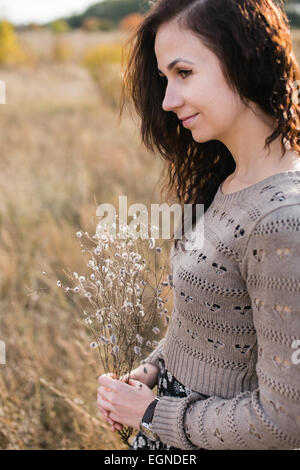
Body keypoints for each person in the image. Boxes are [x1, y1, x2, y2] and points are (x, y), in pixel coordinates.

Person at [97, 0, 300, 450]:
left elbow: (287, 421)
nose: (168, 101)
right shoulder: (230, 182)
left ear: (244, 57)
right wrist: (154, 369)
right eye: (164, 79)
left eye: (183, 73)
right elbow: (211, 322)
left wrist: (151, 413)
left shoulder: (282, 219)